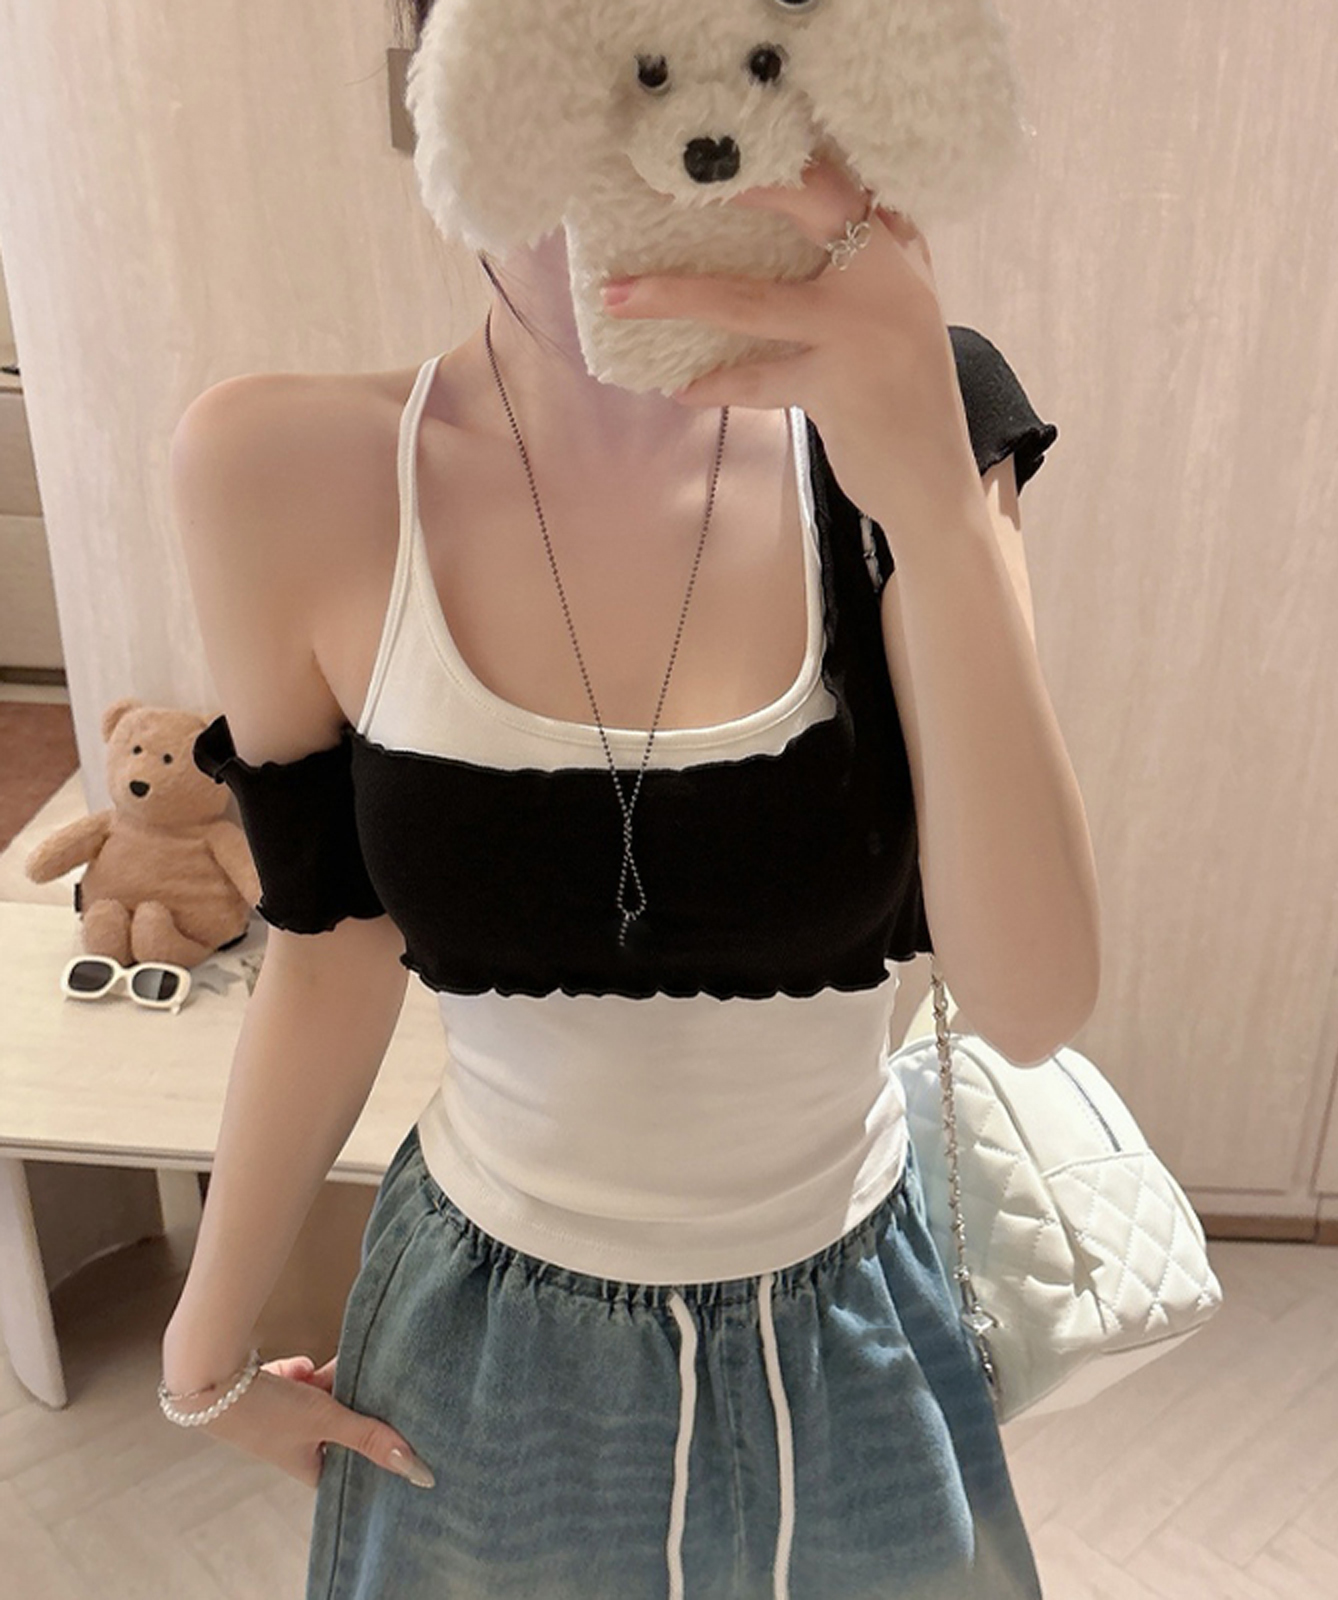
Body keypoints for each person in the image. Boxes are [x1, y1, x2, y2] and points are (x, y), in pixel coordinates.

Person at [158, 6, 1098, 1597]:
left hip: (854, 1313)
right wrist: (204, 1355)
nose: (663, 160)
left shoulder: (913, 419)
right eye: (595, 67)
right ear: (448, 89)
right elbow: (328, 949)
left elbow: (1033, 1000)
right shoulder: (285, 469)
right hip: (488, 1337)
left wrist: (937, 507)